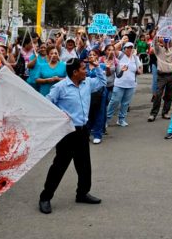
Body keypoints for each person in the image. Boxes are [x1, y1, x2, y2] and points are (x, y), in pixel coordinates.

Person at [39, 57, 107, 214]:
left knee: (84, 166)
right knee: (59, 166)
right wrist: (60, 113)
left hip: (83, 131)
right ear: (75, 72)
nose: (86, 71)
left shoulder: (87, 83)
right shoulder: (60, 87)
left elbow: (102, 82)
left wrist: (97, 67)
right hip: (67, 132)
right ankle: (45, 197)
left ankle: (82, 193)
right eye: (83, 68)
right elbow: (46, 103)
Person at [106, 41, 142, 127]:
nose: (129, 49)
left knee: (125, 103)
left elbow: (140, 70)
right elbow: (112, 49)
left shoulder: (136, 58)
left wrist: (138, 71)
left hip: (131, 84)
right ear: (124, 49)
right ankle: (106, 120)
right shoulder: (120, 55)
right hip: (119, 84)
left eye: (131, 47)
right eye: (127, 47)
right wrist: (122, 41)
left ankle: (121, 120)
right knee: (114, 102)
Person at [149, 35, 172, 121]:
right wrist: (157, 35)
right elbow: (154, 43)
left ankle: (165, 112)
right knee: (158, 95)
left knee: (169, 95)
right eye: (166, 42)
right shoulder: (159, 50)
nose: (167, 44)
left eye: (168, 42)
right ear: (163, 43)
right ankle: (153, 114)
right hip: (161, 76)